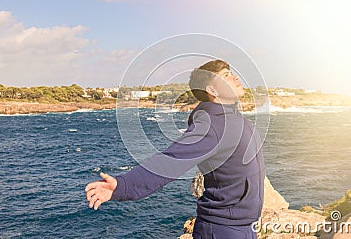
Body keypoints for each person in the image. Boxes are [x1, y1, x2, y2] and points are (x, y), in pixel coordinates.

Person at [85, 60, 266, 239]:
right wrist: (123, 186)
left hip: (246, 227)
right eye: (226, 75)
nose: (235, 77)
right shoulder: (212, 125)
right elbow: (170, 161)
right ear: (212, 91)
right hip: (222, 229)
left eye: (231, 73)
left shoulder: (239, 120)